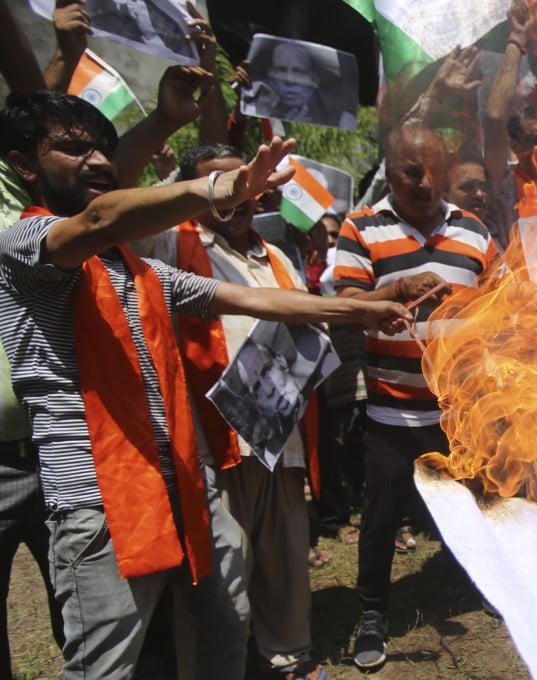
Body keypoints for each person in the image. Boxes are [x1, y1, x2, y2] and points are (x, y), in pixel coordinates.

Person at [0, 90, 408, 679]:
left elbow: (254, 297)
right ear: (23, 164)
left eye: (99, 149)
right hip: (101, 501)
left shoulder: (138, 270)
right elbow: (95, 220)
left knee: (222, 633)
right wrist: (219, 189)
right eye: (69, 149)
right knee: (105, 667)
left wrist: (363, 310)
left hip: (189, 484)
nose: (96, 162)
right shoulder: (24, 246)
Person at [130, 141, 344, 679]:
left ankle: (289, 661)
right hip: (212, 446)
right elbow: (132, 206)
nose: (242, 191)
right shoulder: (169, 244)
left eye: (248, 180)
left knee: (286, 565)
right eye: (225, 184)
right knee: (221, 580)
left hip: (280, 439)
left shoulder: (277, 256)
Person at [334, 125, 499, 670]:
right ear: (388, 170)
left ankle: (477, 586)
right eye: (410, 171)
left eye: (434, 170)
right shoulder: (361, 229)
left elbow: (501, 300)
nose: (424, 182)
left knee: (470, 510)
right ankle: (373, 613)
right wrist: (390, 292)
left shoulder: (474, 232)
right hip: (390, 410)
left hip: (457, 413)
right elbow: (347, 306)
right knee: (381, 520)